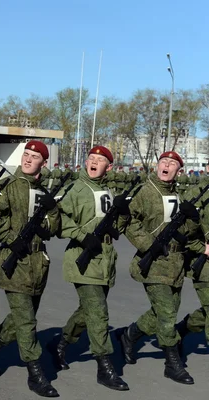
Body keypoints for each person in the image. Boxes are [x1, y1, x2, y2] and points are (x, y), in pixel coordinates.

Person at [0, 141, 61, 397]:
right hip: (14, 262)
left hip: (38, 263)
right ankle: (36, 373)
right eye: (26, 154)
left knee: (20, 318)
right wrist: (12, 238)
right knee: (26, 320)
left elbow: (53, 229)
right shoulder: (9, 186)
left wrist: (52, 209)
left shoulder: (44, 190)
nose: (28, 159)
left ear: (43, 163)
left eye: (34, 156)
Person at [49, 146, 130, 391]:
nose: (93, 162)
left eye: (99, 160)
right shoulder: (74, 188)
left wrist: (123, 212)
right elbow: (59, 219)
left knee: (88, 310)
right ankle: (105, 366)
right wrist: (82, 236)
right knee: (98, 311)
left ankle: (61, 343)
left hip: (105, 258)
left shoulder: (109, 190)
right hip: (82, 256)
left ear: (109, 167)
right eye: (91, 158)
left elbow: (119, 226)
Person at [120, 151, 205, 385]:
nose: (166, 166)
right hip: (154, 263)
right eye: (163, 162)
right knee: (167, 314)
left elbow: (186, 233)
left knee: (162, 312)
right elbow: (127, 220)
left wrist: (192, 219)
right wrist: (148, 244)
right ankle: (172, 363)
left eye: (172, 164)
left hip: (176, 264)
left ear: (179, 171)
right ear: (157, 166)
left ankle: (131, 334)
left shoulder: (178, 195)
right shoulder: (146, 192)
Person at [177, 182, 209, 352]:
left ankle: (181, 329)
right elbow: (182, 229)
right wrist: (202, 248)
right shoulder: (195, 194)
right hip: (204, 262)